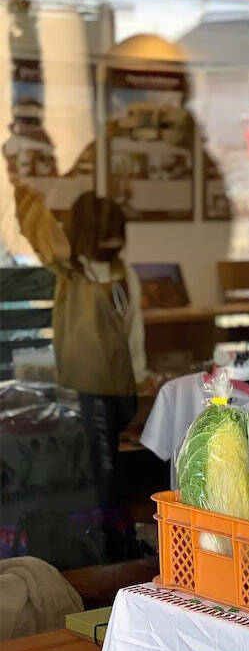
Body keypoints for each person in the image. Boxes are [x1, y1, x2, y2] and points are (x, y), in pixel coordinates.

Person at [13, 184, 146, 524]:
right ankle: (110, 530)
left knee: (109, 459)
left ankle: (111, 524)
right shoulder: (71, 271)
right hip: (89, 385)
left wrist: (141, 374)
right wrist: (26, 198)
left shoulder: (124, 273)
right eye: (106, 236)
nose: (113, 244)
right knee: (104, 464)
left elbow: (134, 327)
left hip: (120, 383)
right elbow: (48, 240)